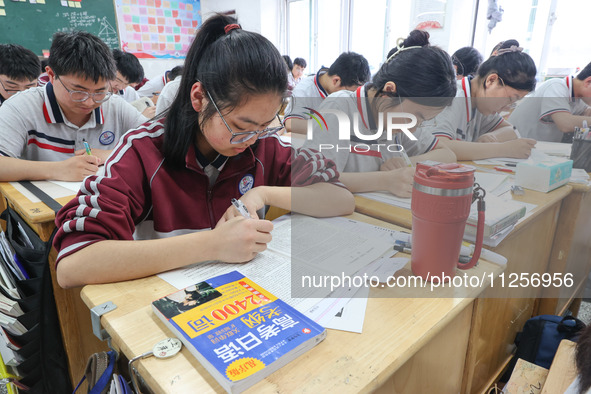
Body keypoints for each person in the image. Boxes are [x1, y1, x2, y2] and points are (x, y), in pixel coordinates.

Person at [53, 14, 354, 288]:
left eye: (265, 125)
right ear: (199, 98)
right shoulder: (142, 152)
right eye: (241, 125)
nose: (252, 139)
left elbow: (339, 198)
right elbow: (73, 265)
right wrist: (212, 244)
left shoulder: (264, 144)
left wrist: (263, 194)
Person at [302, 30, 457, 198]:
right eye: (415, 117)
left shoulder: (398, 120)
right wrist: (385, 180)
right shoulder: (338, 108)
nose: (413, 128)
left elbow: (447, 154)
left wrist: (405, 164)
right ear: (389, 91)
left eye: (422, 121)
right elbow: (315, 179)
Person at [0, 31, 147, 182]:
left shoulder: (115, 106)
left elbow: (157, 145)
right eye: (78, 91)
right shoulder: (21, 107)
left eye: (100, 91)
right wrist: (59, 169)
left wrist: (115, 153)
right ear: (51, 75)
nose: (89, 102)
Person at [418, 39, 538, 160]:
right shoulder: (453, 97)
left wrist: (494, 137)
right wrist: (503, 149)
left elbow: (511, 130)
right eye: (509, 99)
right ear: (491, 81)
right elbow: (440, 147)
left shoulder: (481, 103)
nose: (507, 107)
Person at [284, 52, 371, 134]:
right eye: (349, 94)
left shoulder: (338, 88)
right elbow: (291, 124)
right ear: (336, 81)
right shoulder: (305, 90)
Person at [508, 61, 591, 142]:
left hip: (539, 147)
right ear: (588, 82)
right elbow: (565, 124)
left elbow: (585, 114)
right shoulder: (556, 86)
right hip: (516, 143)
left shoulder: (580, 98)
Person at [111, 49, 155, 118]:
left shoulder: (130, 93)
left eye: (126, 84)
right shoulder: (97, 93)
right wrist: (141, 118)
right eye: (118, 80)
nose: (120, 87)